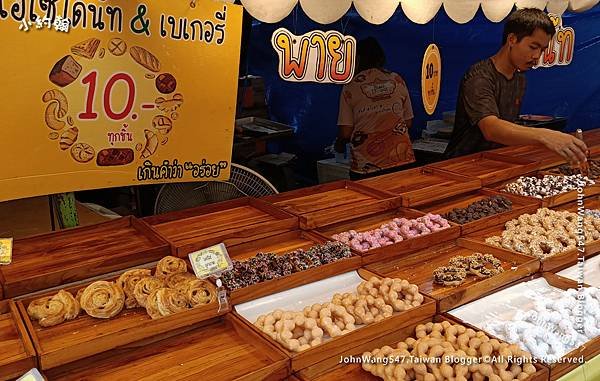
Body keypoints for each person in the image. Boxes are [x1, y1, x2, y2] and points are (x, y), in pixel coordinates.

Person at [445, 8, 588, 164]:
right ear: (512, 39)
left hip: (495, 162)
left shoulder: (519, 78)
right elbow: (491, 128)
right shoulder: (479, 76)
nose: (536, 56)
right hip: (462, 165)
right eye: (533, 47)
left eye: (542, 50)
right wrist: (546, 136)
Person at [336, 37, 415, 180]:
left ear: (357, 59)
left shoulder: (351, 87)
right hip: (401, 159)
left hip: (366, 165)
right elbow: (408, 122)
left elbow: (346, 132)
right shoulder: (397, 80)